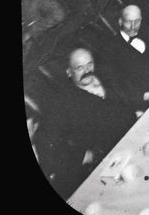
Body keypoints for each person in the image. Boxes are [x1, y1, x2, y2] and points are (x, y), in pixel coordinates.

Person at [43, 47, 138, 194]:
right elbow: (48, 142)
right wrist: (85, 156)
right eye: (79, 68)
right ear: (69, 72)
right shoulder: (63, 102)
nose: (87, 70)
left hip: (134, 137)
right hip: (108, 161)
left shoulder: (105, 78)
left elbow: (128, 101)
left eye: (89, 64)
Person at [94, 4, 149, 110]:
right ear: (120, 21)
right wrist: (143, 96)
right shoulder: (109, 50)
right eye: (128, 22)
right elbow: (113, 87)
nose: (133, 27)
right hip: (144, 105)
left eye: (137, 21)